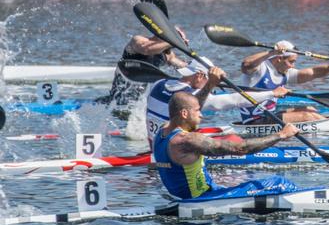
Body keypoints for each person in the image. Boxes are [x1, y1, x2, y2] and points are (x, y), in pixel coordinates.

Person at [153, 91, 300, 200]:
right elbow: (240, 149)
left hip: (179, 196)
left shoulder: (162, 132)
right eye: (197, 111)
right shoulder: (187, 140)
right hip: (203, 198)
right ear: (184, 113)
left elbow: (188, 111)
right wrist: (281, 135)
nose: (201, 115)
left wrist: (210, 83)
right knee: (279, 183)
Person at [146, 59, 288, 146]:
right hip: (173, 148)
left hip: (156, 144)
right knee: (233, 139)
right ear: (200, 75)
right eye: (208, 79)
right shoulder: (189, 98)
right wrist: (272, 93)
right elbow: (236, 100)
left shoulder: (159, 83)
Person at [239, 40, 329, 124]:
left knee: (310, 110)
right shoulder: (259, 69)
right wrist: (271, 53)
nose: (293, 66)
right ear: (279, 58)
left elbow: (316, 72)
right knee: (307, 116)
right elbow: (246, 64)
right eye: (291, 62)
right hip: (254, 121)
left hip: (269, 116)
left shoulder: (286, 72)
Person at [102, 28, 189, 107]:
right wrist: (172, 41)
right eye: (178, 38)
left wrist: (198, 68)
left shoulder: (167, 55)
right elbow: (146, 49)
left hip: (137, 102)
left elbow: (182, 66)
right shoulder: (139, 40)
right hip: (117, 96)